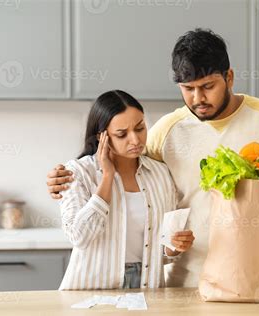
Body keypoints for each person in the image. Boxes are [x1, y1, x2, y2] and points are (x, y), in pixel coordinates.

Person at [47, 29, 259, 287]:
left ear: (229, 77)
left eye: (208, 87)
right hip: (185, 283)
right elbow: (127, 168)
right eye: (188, 89)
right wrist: (63, 181)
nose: (198, 98)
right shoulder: (165, 132)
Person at [55, 90, 194, 290]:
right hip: (91, 291)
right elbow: (80, 237)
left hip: (148, 286)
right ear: (101, 136)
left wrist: (174, 247)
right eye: (122, 134)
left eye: (140, 128)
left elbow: (162, 253)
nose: (136, 140)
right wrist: (107, 177)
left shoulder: (161, 173)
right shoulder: (77, 172)